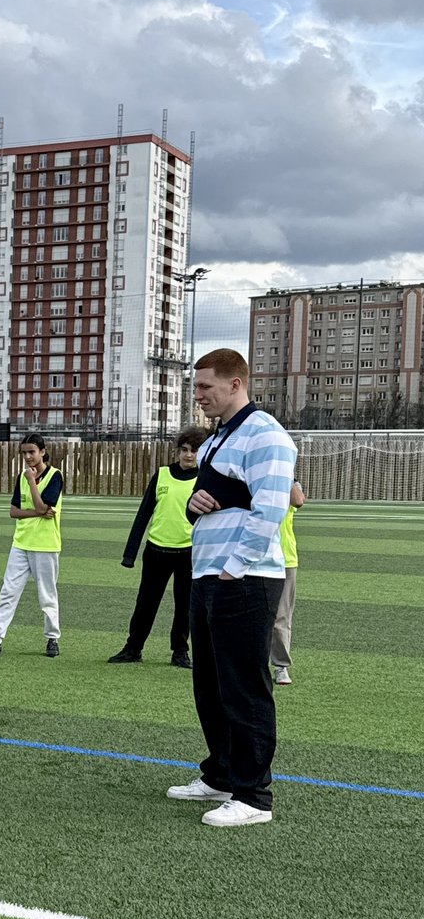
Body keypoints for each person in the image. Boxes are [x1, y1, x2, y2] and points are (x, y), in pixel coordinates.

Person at [167, 349, 296, 829]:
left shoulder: (266, 435)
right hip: (207, 574)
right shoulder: (219, 438)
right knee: (211, 685)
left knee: (244, 687)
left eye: (205, 387)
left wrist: (235, 567)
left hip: (244, 578)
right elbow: (209, 503)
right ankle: (221, 774)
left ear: (236, 384)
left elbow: (270, 510)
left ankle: (254, 796)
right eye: (196, 387)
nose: (197, 396)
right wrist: (194, 507)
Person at [107, 425, 209, 669]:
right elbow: (144, 514)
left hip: (189, 553)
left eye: (194, 450)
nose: (188, 455)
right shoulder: (162, 474)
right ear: (177, 452)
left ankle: (180, 652)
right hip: (156, 552)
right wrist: (129, 554)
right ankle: (133, 648)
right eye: (184, 449)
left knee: (185, 607)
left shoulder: (205, 478)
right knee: (145, 603)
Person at [0, 433, 65, 660]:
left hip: (45, 545)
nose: (28, 456)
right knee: (8, 592)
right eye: (24, 452)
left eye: (32, 451)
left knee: (47, 595)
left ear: (43, 451)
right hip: (21, 542)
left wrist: (33, 483)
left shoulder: (55, 475)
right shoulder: (22, 477)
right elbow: (15, 512)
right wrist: (37, 512)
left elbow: (44, 505)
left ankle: (52, 638)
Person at [270, 480, 306, 686]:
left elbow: (298, 500)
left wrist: (288, 478)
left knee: (281, 616)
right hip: (257, 558)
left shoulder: (289, 485)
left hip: (285, 559)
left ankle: (281, 665)